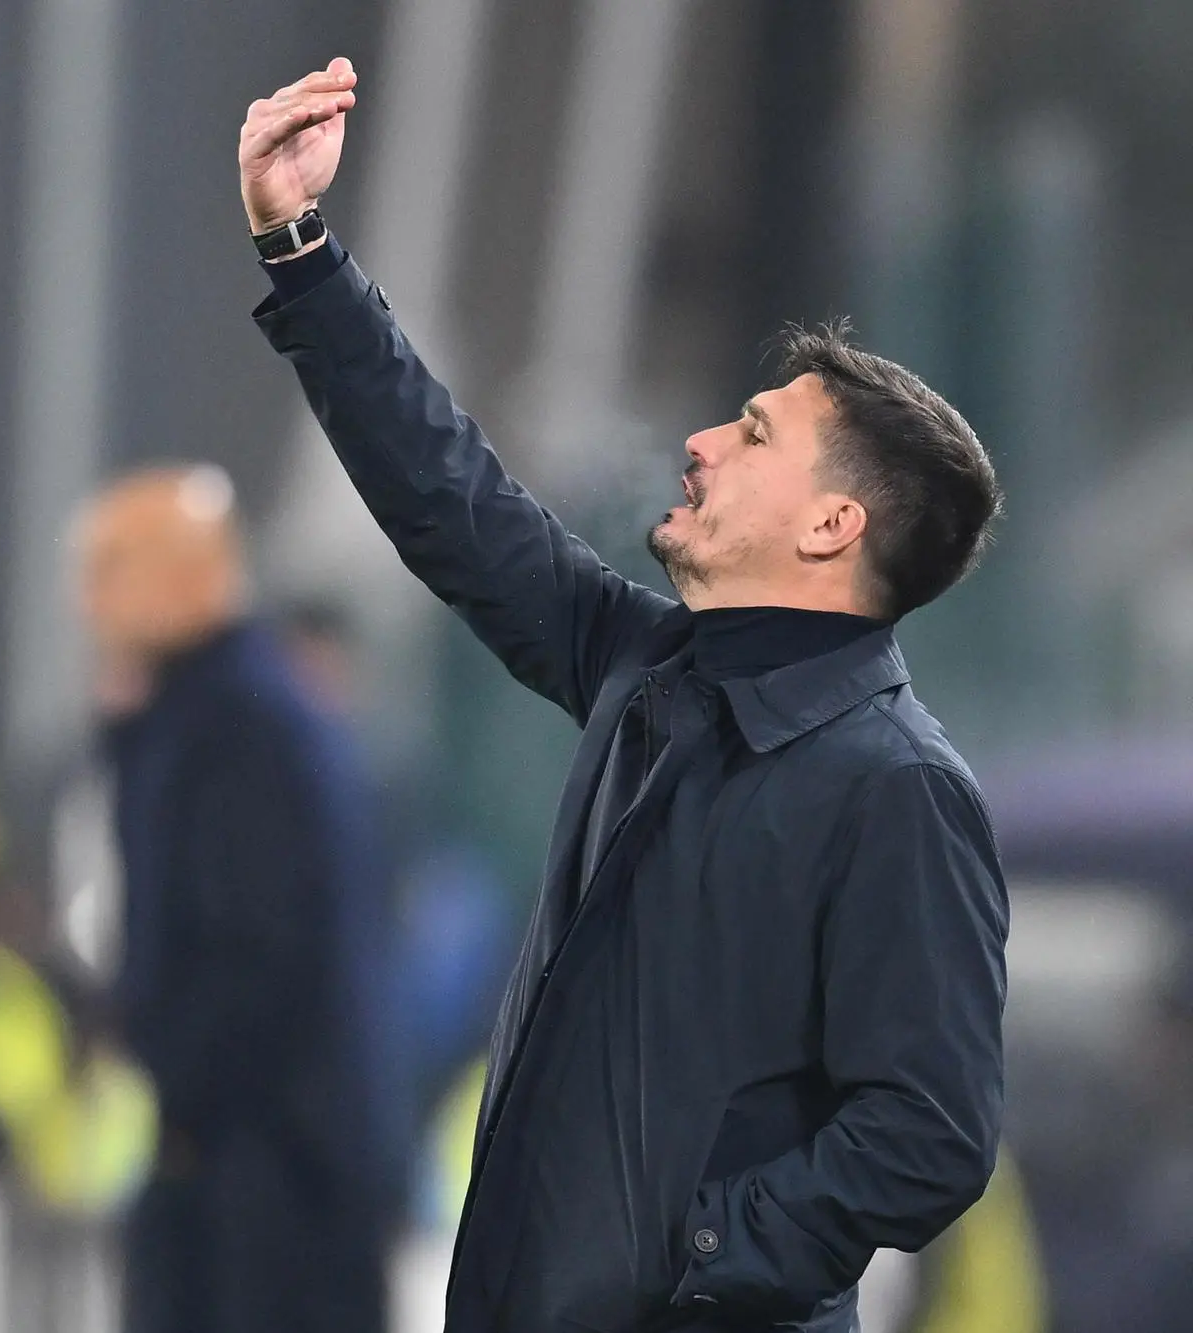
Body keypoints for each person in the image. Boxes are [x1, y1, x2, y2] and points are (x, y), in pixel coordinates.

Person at [238, 58, 1009, 1333]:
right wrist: (302, 253)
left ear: (831, 522)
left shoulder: (898, 789)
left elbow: (929, 1128)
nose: (701, 441)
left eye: (754, 432)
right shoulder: (648, 670)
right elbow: (449, 496)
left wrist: (695, 1257)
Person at [78, 466, 391, 1333]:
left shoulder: (236, 726)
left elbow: (256, 949)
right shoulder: (229, 711)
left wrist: (178, 1075)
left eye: (109, 568)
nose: (87, 601)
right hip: (251, 1151)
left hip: (262, 1169)